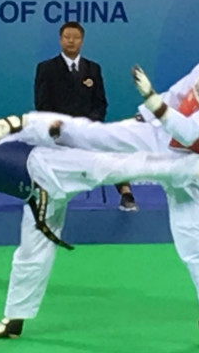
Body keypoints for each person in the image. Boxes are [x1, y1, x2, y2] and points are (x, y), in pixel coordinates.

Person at [0, 23, 199, 350]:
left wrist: (152, 100)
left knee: (194, 247)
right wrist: (144, 115)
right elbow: (179, 93)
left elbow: (189, 132)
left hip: (188, 159)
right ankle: (22, 124)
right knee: (94, 135)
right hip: (155, 136)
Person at [0, 114, 199, 345]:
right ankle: (13, 320)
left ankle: (194, 168)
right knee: (29, 254)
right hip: (38, 196)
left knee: (114, 167)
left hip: (49, 163)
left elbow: (14, 126)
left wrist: (40, 130)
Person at [34, 22, 136, 212]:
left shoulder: (93, 69)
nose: (71, 41)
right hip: (59, 132)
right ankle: (45, 196)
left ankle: (126, 193)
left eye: (76, 37)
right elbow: (42, 104)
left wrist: (90, 124)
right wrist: (61, 127)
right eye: (67, 37)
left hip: (88, 129)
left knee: (113, 149)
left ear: (82, 41)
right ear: (60, 40)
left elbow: (100, 103)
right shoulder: (46, 68)